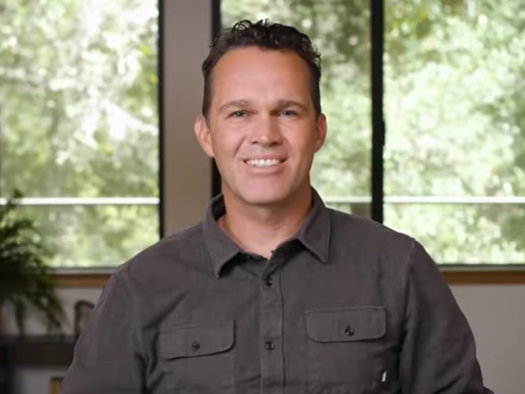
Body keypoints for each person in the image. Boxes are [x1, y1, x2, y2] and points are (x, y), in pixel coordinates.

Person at [61, 19, 493, 393]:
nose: (264, 135)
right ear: (206, 134)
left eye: (287, 112)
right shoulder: (139, 287)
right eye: (239, 113)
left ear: (318, 131)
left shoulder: (399, 268)